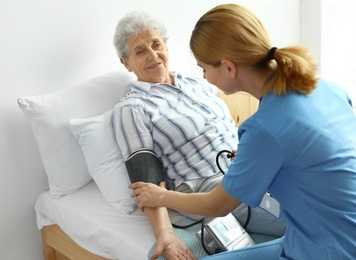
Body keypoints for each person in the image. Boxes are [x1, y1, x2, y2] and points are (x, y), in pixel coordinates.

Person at [130, 4, 356, 260]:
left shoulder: (263, 129)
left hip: (330, 250)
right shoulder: (326, 87)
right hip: (318, 235)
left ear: (228, 67)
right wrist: (257, 158)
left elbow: (217, 205)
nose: (204, 77)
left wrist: (162, 196)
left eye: (204, 68)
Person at [112, 10, 286, 260]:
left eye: (156, 44)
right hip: (209, 186)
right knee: (300, 214)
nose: (153, 55)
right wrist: (166, 235)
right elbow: (147, 183)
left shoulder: (197, 81)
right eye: (140, 51)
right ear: (126, 63)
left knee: (310, 187)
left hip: (245, 162)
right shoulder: (132, 108)